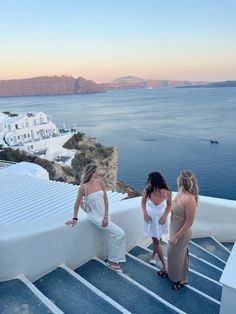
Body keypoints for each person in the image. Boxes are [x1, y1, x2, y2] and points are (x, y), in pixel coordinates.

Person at [65, 163, 126, 272]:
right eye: (97, 171)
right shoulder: (83, 187)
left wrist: (106, 216)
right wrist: (74, 218)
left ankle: (111, 260)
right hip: (95, 217)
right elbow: (77, 203)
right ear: (92, 172)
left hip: (105, 215)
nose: (99, 173)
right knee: (120, 233)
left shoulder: (100, 183)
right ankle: (112, 261)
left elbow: (106, 200)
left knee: (110, 236)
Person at [167, 170, 198, 290]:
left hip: (182, 233)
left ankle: (180, 279)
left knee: (173, 254)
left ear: (181, 180)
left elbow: (189, 223)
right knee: (177, 255)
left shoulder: (190, 199)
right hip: (174, 228)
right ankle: (172, 274)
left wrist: (176, 237)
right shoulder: (180, 192)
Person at [141, 172, 172, 277]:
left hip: (160, 219)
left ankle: (154, 254)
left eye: (150, 181)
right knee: (156, 240)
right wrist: (145, 214)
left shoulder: (167, 193)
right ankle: (165, 266)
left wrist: (164, 216)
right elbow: (143, 202)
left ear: (156, 182)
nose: (148, 183)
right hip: (150, 218)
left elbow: (169, 206)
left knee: (157, 239)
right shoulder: (148, 190)